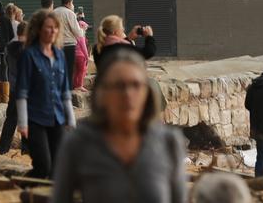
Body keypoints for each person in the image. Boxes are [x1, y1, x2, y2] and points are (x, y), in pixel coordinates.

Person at [52, 49, 186, 203]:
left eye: (136, 85)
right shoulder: (78, 143)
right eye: (119, 85)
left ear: (147, 93)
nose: (128, 94)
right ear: (101, 93)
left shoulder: (169, 142)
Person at [16, 10, 76, 178]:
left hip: (57, 117)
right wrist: (22, 123)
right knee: (44, 167)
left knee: (58, 169)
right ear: (38, 29)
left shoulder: (60, 55)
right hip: (35, 119)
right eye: (49, 28)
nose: (53, 31)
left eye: (56, 28)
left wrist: (71, 119)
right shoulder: (29, 55)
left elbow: (65, 92)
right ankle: (20, 190)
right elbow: (21, 92)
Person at [0, 21, 28, 155]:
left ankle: (3, 148)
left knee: (11, 119)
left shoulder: (9, 47)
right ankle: (26, 149)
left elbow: (6, 63)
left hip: (14, 87)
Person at [53, 0, 84, 84]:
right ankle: (68, 91)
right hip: (69, 46)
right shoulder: (70, 13)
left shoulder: (54, 12)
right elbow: (77, 32)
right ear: (69, 3)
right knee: (69, 69)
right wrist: (82, 29)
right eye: (72, 2)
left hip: (57, 45)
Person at [0, 0, 15, 103]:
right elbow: (12, 35)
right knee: (4, 71)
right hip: (5, 48)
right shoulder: (6, 19)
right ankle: (5, 98)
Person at [73, 18, 90, 92]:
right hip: (81, 56)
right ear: (82, 27)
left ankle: (75, 85)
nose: (86, 30)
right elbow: (84, 48)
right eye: (85, 28)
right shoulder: (81, 36)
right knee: (82, 71)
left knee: (76, 71)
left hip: (75, 55)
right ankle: (80, 85)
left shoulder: (74, 36)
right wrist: (87, 57)